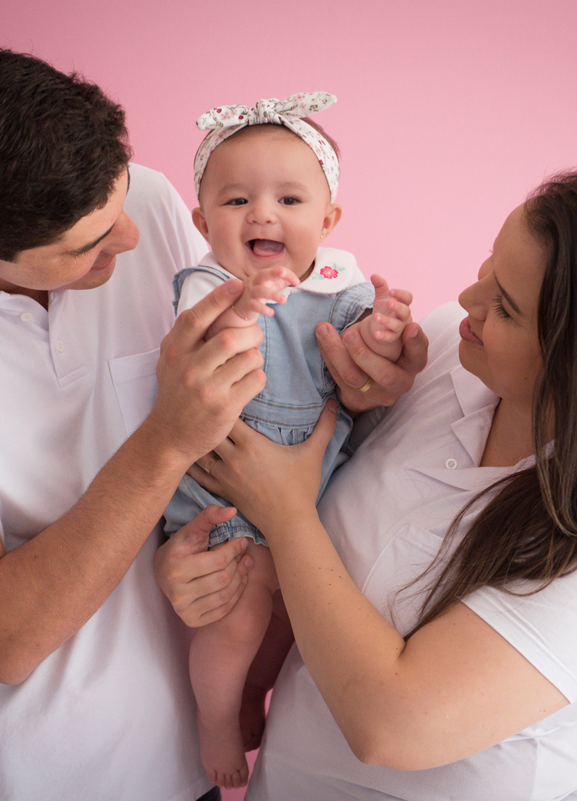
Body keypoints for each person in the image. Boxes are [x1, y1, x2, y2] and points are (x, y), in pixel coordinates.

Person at [0, 42, 424, 801]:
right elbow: (0, 637)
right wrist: (168, 441)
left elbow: (273, 379)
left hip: (182, 766)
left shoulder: (139, 201)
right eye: (90, 245)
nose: (132, 236)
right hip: (13, 778)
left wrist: (366, 379)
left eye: (123, 203)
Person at [159, 169, 577, 799]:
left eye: (505, 306)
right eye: (488, 268)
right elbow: (307, 541)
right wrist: (199, 568)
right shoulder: (449, 354)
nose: (467, 299)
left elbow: (392, 726)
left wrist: (285, 512)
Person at [162, 92, 413, 788]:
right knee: (238, 620)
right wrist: (244, 309)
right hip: (222, 497)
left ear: (327, 221)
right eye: (237, 200)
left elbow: (361, 360)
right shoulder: (209, 286)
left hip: (306, 498)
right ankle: (216, 718)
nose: (263, 214)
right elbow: (203, 349)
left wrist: (382, 333)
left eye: (289, 200)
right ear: (202, 221)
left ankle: (252, 694)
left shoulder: (339, 285)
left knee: (290, 622)